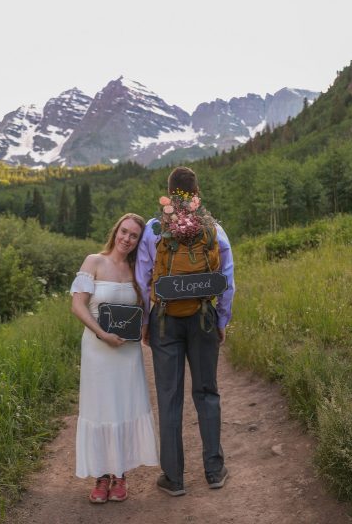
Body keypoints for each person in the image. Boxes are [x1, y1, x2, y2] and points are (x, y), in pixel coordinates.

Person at [135, 166, 235, 496]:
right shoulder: (213, 228)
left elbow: (142, 278)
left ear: (169, 191)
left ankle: (174, 478)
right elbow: (227, 281)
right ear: (196, 192)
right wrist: (221, 320)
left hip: (165, 320)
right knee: (207, 393)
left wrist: (146, 324)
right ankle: (214, 470)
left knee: (169, 397)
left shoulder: (152, 229)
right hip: (203, 317)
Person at [70, 213, 159, 504]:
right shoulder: (93, 261)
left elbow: (144, 308)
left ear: (138, 241)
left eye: (134, 236)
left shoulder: (138, 270)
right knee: (100, 408)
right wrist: (101, 333)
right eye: (124, 232)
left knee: (123, 406)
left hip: (127, 351)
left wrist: (144, 327)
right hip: (98, 349)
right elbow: (78, 305)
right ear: (116, 230)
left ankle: (120, 474)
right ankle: (101, 476)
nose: (127, 239)